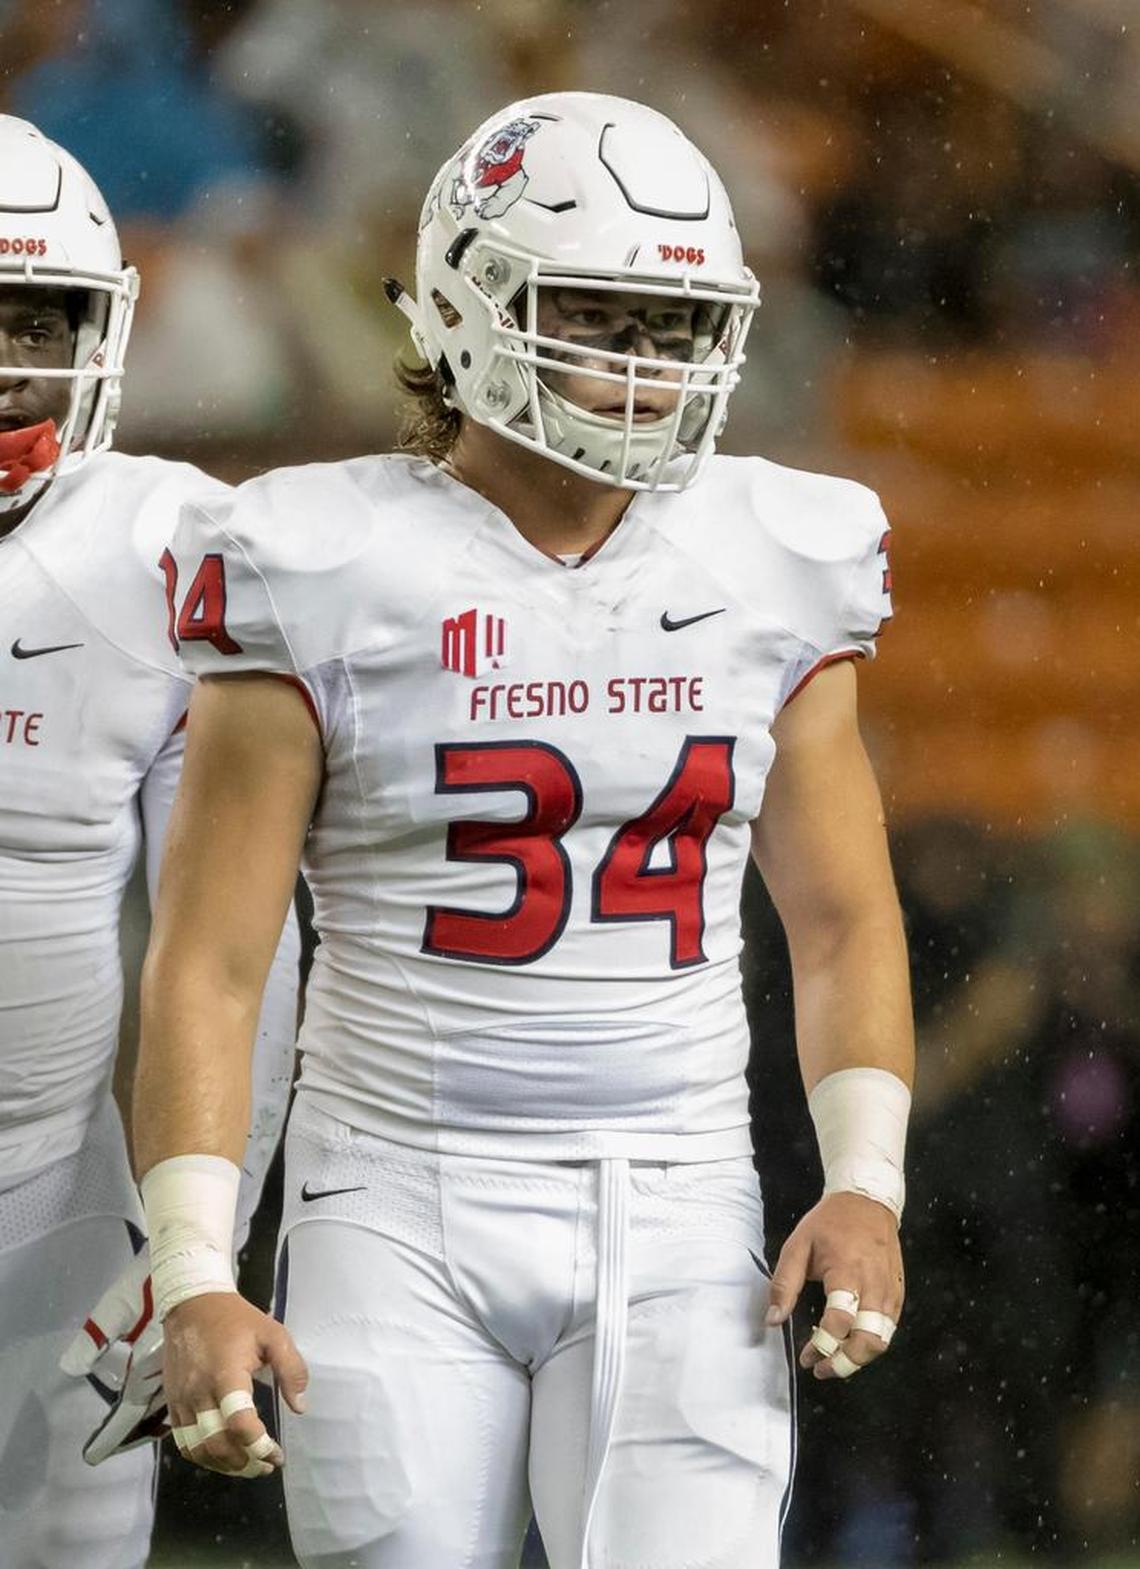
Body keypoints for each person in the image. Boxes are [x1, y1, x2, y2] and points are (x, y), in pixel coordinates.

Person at [133, 92, 914, 1569]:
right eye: (602, 314)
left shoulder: (776, 555)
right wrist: (193, 1266)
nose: (646, 365)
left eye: (675, 325)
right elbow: (214, 959)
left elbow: (843, 915)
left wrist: (865, 1182)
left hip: (683, 1191)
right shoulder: (319, 559)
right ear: (471, 302)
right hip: (396, 1199)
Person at [0, 116, 300, 1569]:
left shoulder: (167, 540)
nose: (6, 355)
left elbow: (246, 945)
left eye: (34, 316)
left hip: (51, 1208)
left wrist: (190, 1241)